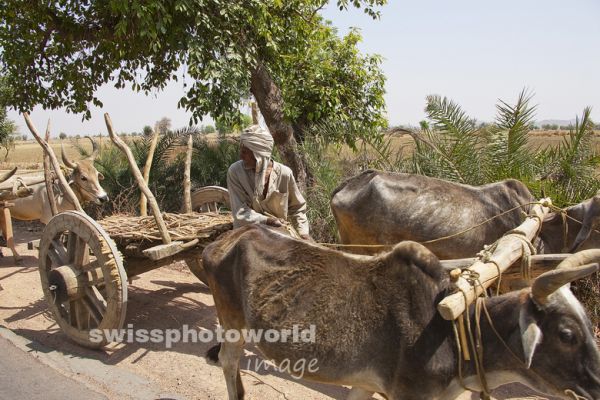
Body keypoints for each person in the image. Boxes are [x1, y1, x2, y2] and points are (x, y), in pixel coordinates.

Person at [227, 125, 311, 240]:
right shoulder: (236, 172)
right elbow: (240, 212)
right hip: (246, 237)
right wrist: (268, 221)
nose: (241, 155)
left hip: (278, 237)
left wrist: (303, 233)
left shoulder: (284, 174)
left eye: (245, 152)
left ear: (260, 155)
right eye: (241, 150)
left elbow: (297, 208)